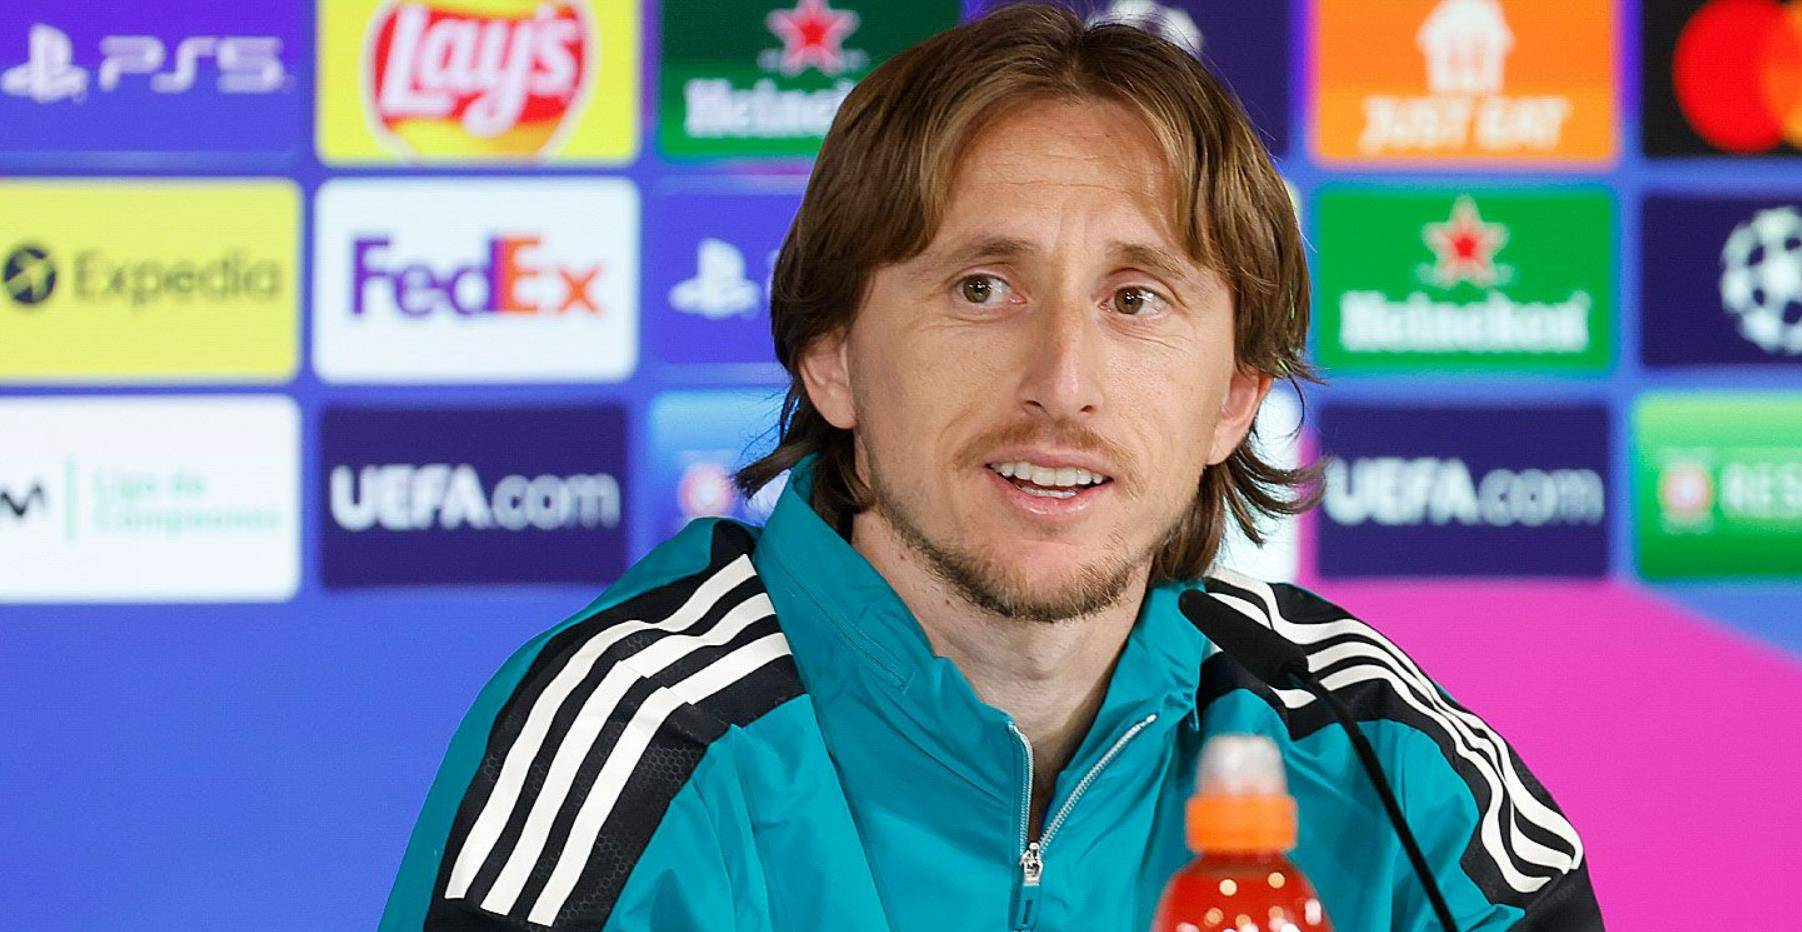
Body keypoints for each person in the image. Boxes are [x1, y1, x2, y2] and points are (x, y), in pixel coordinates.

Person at [380, 6, 1601, 930]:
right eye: (981, 287)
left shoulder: (1379, 753)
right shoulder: (635, 738)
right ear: (831, 357)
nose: (1061, 380)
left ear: (1234, 396)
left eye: (1135, 298)